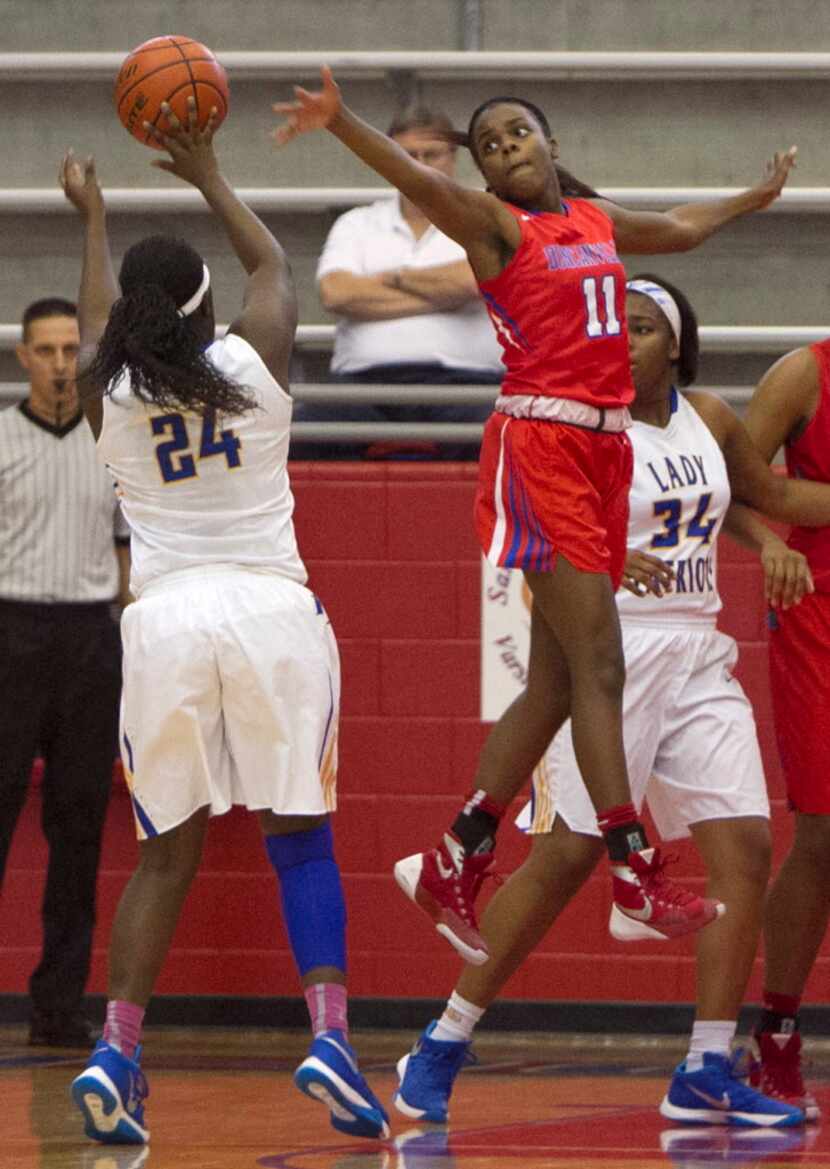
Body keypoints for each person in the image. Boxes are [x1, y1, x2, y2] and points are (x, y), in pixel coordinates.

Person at [273, 68, 797, 961]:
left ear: (552, 145)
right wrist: (338, 122)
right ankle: (632, 861)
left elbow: (676, 230)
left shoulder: (591, 223)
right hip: (542, 443)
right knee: (602, 663)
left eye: (518, 133)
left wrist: (757, 195)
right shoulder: (493, 227)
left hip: (603, 450)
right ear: (482, 173)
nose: (506, 149)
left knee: (557, 684)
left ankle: (453, 857)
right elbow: (419, 183)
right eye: (489, 146)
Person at [392, 275, 830, 1130]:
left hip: (698, 649)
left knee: (744, 844)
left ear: (675, 342)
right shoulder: (577, 425)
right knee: (563, 859)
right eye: (612, 328)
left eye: (638, 328)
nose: (619, 340)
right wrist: (589, 560)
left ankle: (705, 1063)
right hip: (606, 652)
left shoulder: (710, 415)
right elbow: (527, 530)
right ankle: (442, 1041)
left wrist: (767, 542)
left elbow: (745, 498)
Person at [60, 101, 388, 1147]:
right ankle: (330, 1035)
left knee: (164, 856)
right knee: (301, 840)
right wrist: (206, 173)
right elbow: (275, 268)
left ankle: (116, 1047)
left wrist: (96, 217)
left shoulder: (107, 389)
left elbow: (97, 307)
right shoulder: (251, 366)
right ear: (204, 308)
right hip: (270, 610)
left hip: (163, 620)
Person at [0, 297, 128, 1048]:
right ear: (22, 357)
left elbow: (123, 551)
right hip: (10, 629)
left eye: (67, 351)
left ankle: (58, 1002)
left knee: (78, 831)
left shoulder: (107, 441)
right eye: (43, 350)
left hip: (88, 638)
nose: (56, 363)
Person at [293, 104, 503, 460]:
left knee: (501, 438)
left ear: (453, 157)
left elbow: (471, 283)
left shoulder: (483, 219)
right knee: (305, 434)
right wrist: (445, 296)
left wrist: (390, 277)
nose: (418, 164)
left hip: (468, 386)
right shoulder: (356, 223)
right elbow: (336, 293)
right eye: (407, 155)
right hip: (365, 386)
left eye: (431, 154)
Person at [741, 333, 830, 1121]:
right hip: (819, 611)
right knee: (824, 832)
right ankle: (776, 1028)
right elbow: (731, 486)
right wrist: (779, 530)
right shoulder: (804, 372)